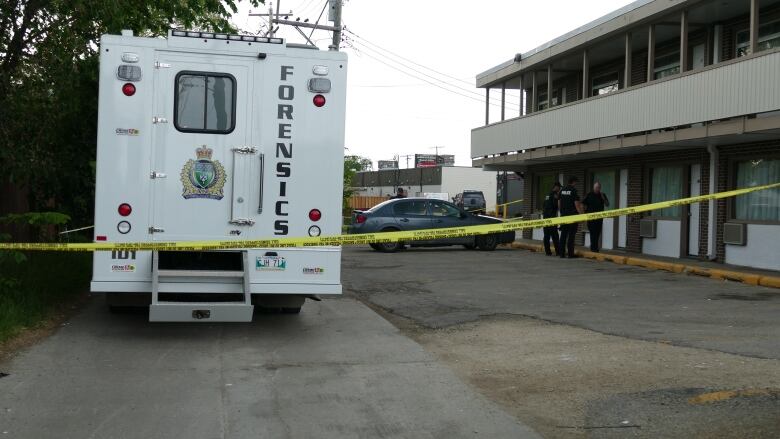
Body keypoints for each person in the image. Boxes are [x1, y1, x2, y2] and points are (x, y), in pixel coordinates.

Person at [558, 176, 583, 258]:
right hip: (572, 216)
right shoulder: (573, 190)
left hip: (564, 216)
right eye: (576, 183)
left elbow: (559, 203)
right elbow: (576, 204)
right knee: (571, 236)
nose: (576, 184)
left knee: (563, 235)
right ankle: (570, 254)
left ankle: (561, 253)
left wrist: (561, 212)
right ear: (574, 182)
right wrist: (581, 215)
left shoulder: (562, 190)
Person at [582, 181, 610, 252]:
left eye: (599, 188)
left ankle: (595, 247)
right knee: (592, 232)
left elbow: (607, 204)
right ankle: (593, 248)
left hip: (599, 217)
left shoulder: (602, 194)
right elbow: (583, 203)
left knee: (597, 233)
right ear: (594, 187)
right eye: (596, 187)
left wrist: (603, 198)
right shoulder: (589, 194)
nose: (597, 189)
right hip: (591, 217)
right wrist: (584, 212)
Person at [542, 182, 562, 256]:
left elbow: (544, 205)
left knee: (546, 236)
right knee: (555, 236)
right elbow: (556, 205)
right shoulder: (554, 195)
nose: (559, 189)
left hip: (545, 218)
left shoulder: (547, 195)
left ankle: (548, 252)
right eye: (559, 187)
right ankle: (558, 252)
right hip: (552, 218)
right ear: (556, 187)